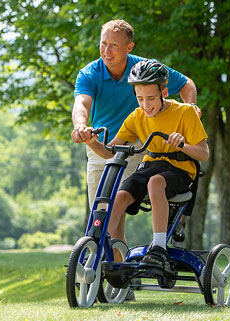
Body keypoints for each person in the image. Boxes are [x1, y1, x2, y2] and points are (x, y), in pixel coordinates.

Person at [71, 19, 200, 242]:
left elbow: (186, 84)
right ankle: (106, 265)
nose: (106, 51)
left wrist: (190, 109)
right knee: (101, 213)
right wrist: (81, 127)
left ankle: (164, 231)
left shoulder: (144, 69)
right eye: (103, 44)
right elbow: (81, 103)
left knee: (119, 205)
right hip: (103, 145)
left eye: (114, 45)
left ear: (129, 47)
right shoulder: (89, 73)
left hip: (139, 145)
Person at [85, 59, 209, 270]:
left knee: (155, 182)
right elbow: (109, 152)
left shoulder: (185, 112)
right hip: (151, 165)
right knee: (121, 195)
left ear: (165, 92)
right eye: (140, 98)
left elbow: (203, 154)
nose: (145, 105)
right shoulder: (136, 117)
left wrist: (182, 145)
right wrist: (91, 142)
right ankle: (98, 245)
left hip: (181, 170)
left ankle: (158, 247)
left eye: (151, 98)